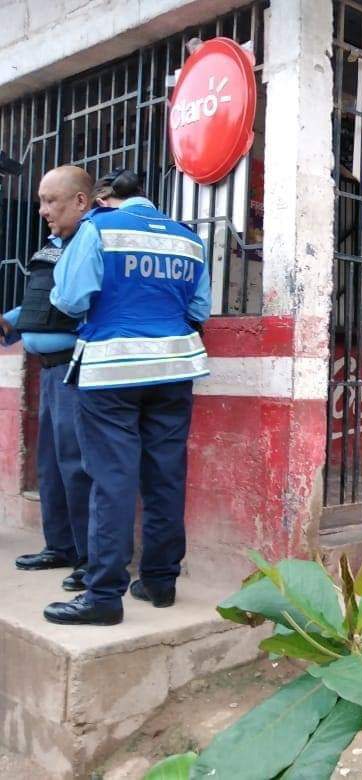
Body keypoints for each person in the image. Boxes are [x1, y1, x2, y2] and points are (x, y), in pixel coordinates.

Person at [42, 169, 211, 626]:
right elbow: (199, 310)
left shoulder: (96, 230)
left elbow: (71, 300)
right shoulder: (188, 238)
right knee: (166, 476)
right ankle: (159, 580)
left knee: (111, 480)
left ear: (102, 198)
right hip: (175, 370)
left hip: (111, 371)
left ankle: (103, 596)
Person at [1, 166, 94, 591]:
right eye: (40, 201)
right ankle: (60, 546)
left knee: (76, 465)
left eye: (50, 201)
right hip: (49, 372)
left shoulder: (91, 243)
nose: (42, 210)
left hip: (76, 369)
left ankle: (88, 556)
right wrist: (11, 322)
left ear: (80, 201)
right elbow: (43, 305)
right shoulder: (55, 245)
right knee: (51, 463)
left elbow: (84, 304)